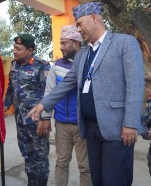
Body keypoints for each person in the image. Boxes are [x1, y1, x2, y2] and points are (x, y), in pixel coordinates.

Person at [28, 1, 145, 186]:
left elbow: (135, 84)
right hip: (90, 129)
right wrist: (43, 105)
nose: (78, 29)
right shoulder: (83, 55)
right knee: (97, 179)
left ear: (93, 18)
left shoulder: (124, 43)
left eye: (80, 23)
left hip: (116, 128)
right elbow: (67, 83)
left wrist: (130, 123)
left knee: (115, 180)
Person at [41, 25, 92, 186]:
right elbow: (49, 92)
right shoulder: (56, 65)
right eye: (61, 43)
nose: (61, 47)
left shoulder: (89, 62)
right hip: (61, 124)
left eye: (64, 43)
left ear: (76, 43)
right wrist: (45, 117)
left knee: (85, 167)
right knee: (61, 163)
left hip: (82, 124)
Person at [3, 34, 51, 186]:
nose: (15, 51)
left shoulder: (42, 66)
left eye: (19, 49)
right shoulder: (14, 65)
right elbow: (11, 89)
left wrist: (45, 119)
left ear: (30, 50)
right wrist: (4, 106)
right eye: (14, 48)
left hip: (37, 122)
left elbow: (49, 95)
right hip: (20, 121)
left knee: (40, 159)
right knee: (27, 156)